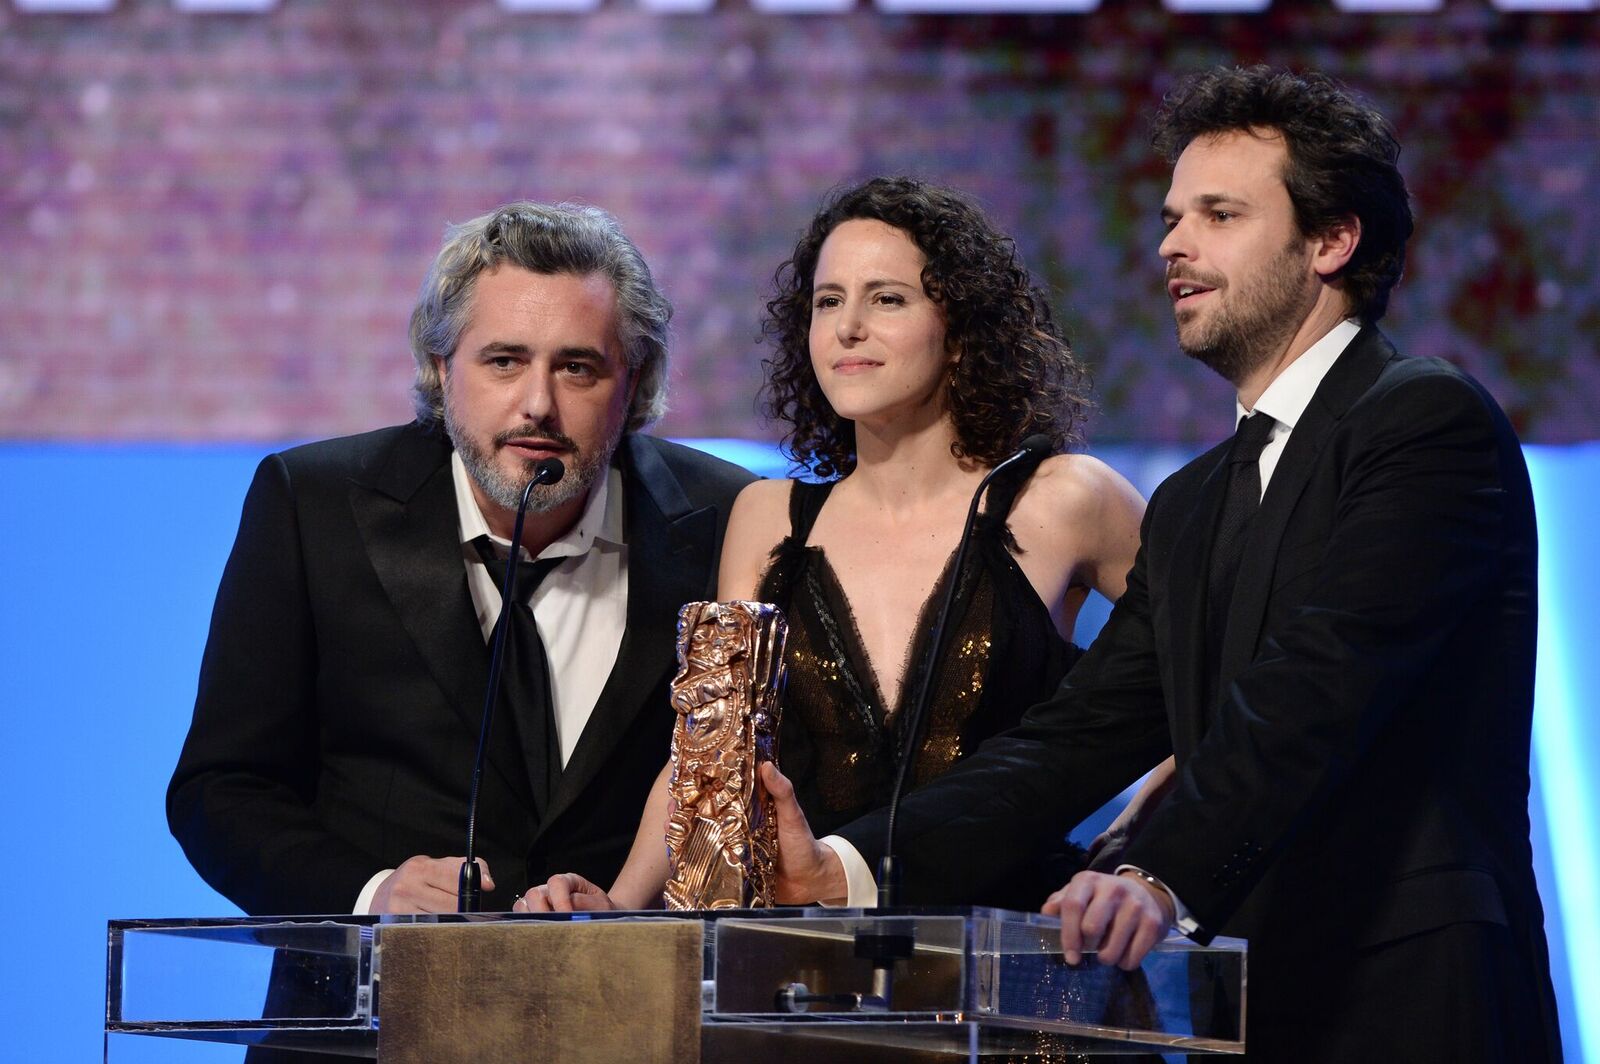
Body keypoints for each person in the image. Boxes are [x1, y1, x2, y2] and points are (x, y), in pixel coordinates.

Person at [768, 69, 1562, 1061]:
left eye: (1218, 214)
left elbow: (1315, 690)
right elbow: (1074, 737)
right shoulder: (1191, 502)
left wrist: (1152, 872)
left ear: (1331, 240)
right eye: (1171, 216)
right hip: (1245, 1000)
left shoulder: (1421, 421)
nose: (1171, 246)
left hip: (1409, 992)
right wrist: (844, 866)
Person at [519, 176, 1145, 914]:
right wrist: (622, 905)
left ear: (961, 326)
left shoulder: (1068, 497)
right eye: (827, 301)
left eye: (887, 298)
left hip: (1020, 962)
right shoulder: (769, 517)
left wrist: (1138, 859)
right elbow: (711, 751)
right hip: (818, 966)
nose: (848, 328)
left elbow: (1201, 687)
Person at [167, 201, 754, 917]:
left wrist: (631, 910)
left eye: (578, 368)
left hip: (625, 1012)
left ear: (633, 384)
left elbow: (745, 783)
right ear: (441, 369)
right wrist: (369, 893)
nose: (538, 404)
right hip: (374, 1014)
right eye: (504, 360)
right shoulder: (313, 506)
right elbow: (221, 790)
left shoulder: (730, 520)